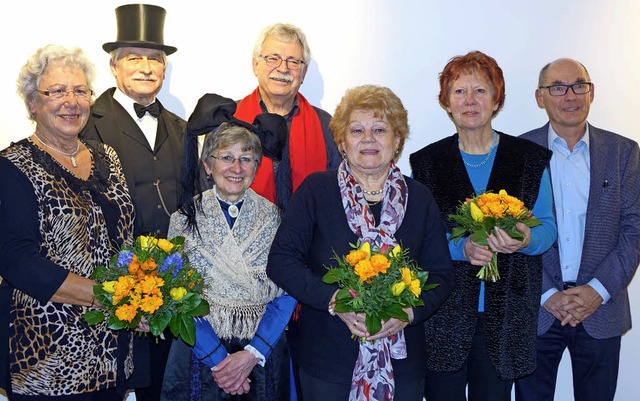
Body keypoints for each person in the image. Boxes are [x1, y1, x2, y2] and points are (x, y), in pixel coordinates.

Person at [266, 84, 455, 401]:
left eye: (380, 129)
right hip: (327, 361)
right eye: (357, 130)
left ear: (396, 141)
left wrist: (407, 312)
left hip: (403, 364)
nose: (368, 139)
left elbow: (441, 275)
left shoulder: (420, 197)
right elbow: (282, 262)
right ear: (341, 141)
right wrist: (335, 300)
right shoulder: (316, 191)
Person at [409, 51, 557, 401]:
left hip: (506, 316)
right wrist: (462, 249)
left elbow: (547, 228)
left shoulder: (529, 159)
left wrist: (525, 240)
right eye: (459, 92)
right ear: (446, 101)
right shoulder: (427, 162)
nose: (470, 101)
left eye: (480, 90)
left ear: (496, 100)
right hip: (443, 316)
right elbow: (417, 238)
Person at [0, 44, 135, 400]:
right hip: (47, 357)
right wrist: (106, 298)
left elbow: (124, 239)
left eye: (80, 90)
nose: (70, 101)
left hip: (112, 350)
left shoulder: (109, 157)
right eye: (57, 91)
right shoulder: (12, 166)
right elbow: (16, 260)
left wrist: (139, 297)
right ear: (32, 103)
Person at [514, 58, 640, 401]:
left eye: (579, 85)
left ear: (592, 92)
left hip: (602, 307)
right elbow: (510, 233)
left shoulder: (624, 152)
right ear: (540, 97)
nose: (570, 96)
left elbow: (634, 230)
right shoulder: (517, 153)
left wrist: (596, 290)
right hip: (537, 308)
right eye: (557, 87)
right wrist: (548, 294)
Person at [80, 5, 186, 400]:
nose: (146, 67)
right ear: (113, 65)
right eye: (134, 58)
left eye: (155, 59)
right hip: (107, 295)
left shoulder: (180, 128)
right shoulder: (87, 122)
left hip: (168, 295)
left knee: (161, 390)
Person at [160, 104, 296, 400]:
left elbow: (287, 292)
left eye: (246, 159)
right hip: (200, 355)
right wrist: (221, 362)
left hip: (261, 355)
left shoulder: (275, 218)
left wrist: (251, 354)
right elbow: (175, 295)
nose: (237, 168)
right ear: (208, 165)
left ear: (257, 167)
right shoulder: (183, 218)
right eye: (227, 158)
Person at [233, 22, 341, 211]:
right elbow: (206, 188)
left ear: (303, 73)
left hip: (307, 237)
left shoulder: (326, 126)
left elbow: (337, 193)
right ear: (255, 65)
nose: (283, 69)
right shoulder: (229, 118)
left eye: (293, 61)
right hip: (237, 236)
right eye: (273, 58)